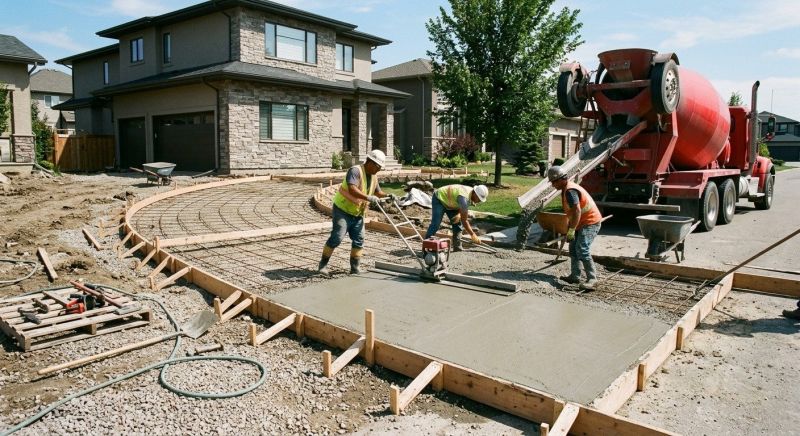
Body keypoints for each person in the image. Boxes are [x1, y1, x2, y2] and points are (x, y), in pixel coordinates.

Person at [318, 150, 393, 275]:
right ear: (370, 162)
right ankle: (322, 266)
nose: (379, 169)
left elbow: (378, 192)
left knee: (359, 239)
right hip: (342, 210)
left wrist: (388, 195)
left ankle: (355, 268)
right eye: (378, 166)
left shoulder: (373, 176)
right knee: (337, 237)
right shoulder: (355, 171)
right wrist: (368, 197)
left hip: (358, 213)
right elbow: (352, 189)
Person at [549, 166, 603, 290]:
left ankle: (593, 279)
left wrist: (572, 230)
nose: (552, 185)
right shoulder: (566, 188)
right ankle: (575, 276)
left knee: (582, 249)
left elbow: (577, 210)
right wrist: (570, 228)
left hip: (590, 222)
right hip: (580, 222)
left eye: (554, 182)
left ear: (561, 179)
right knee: (573, 248)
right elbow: (572, 212)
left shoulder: (570, 191)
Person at [424, 184, 488, 251]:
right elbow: (464, 221)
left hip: (451, 202)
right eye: (479, 198)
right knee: (436, 224)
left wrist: (460, 213)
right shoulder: (464, 199)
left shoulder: (469, 194)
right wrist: (472, 234)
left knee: (457, 224)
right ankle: (426, 247)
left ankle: (457, 247)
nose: (480, 201)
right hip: (440, 198)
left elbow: (461, 205)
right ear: (475, 193)